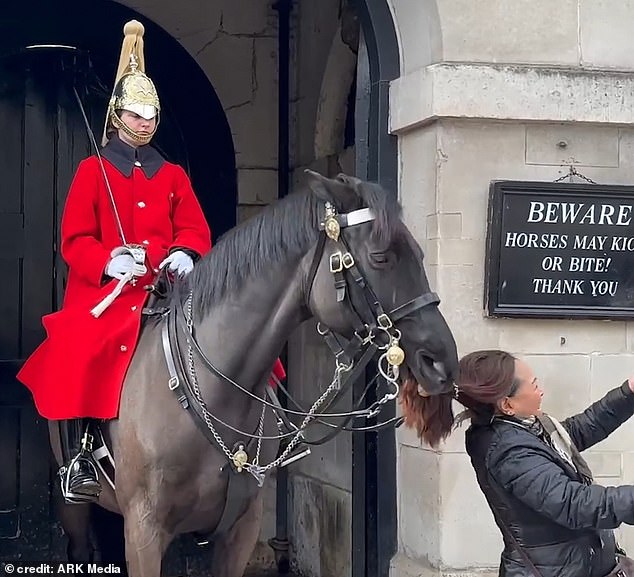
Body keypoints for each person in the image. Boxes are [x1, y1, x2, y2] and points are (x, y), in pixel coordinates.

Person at [17, 20, 216, 504]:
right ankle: (84, 451)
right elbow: (74, 240)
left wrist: (185, 254)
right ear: (118, 115)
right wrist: (110, 260)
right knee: (85, 347)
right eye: (137, 113)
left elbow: (194, 227)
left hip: (167, 290)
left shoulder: (171, 175)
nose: (146, 122)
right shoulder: (92, 172)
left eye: (151, 114)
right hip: (109, 295)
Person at [456, 349, 634, 577]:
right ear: (507, 405)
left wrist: (628, 392)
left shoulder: (523, 428)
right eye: (534, 384)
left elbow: (578, 430)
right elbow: (573, 503)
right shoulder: (509, 452)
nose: (541, 391)